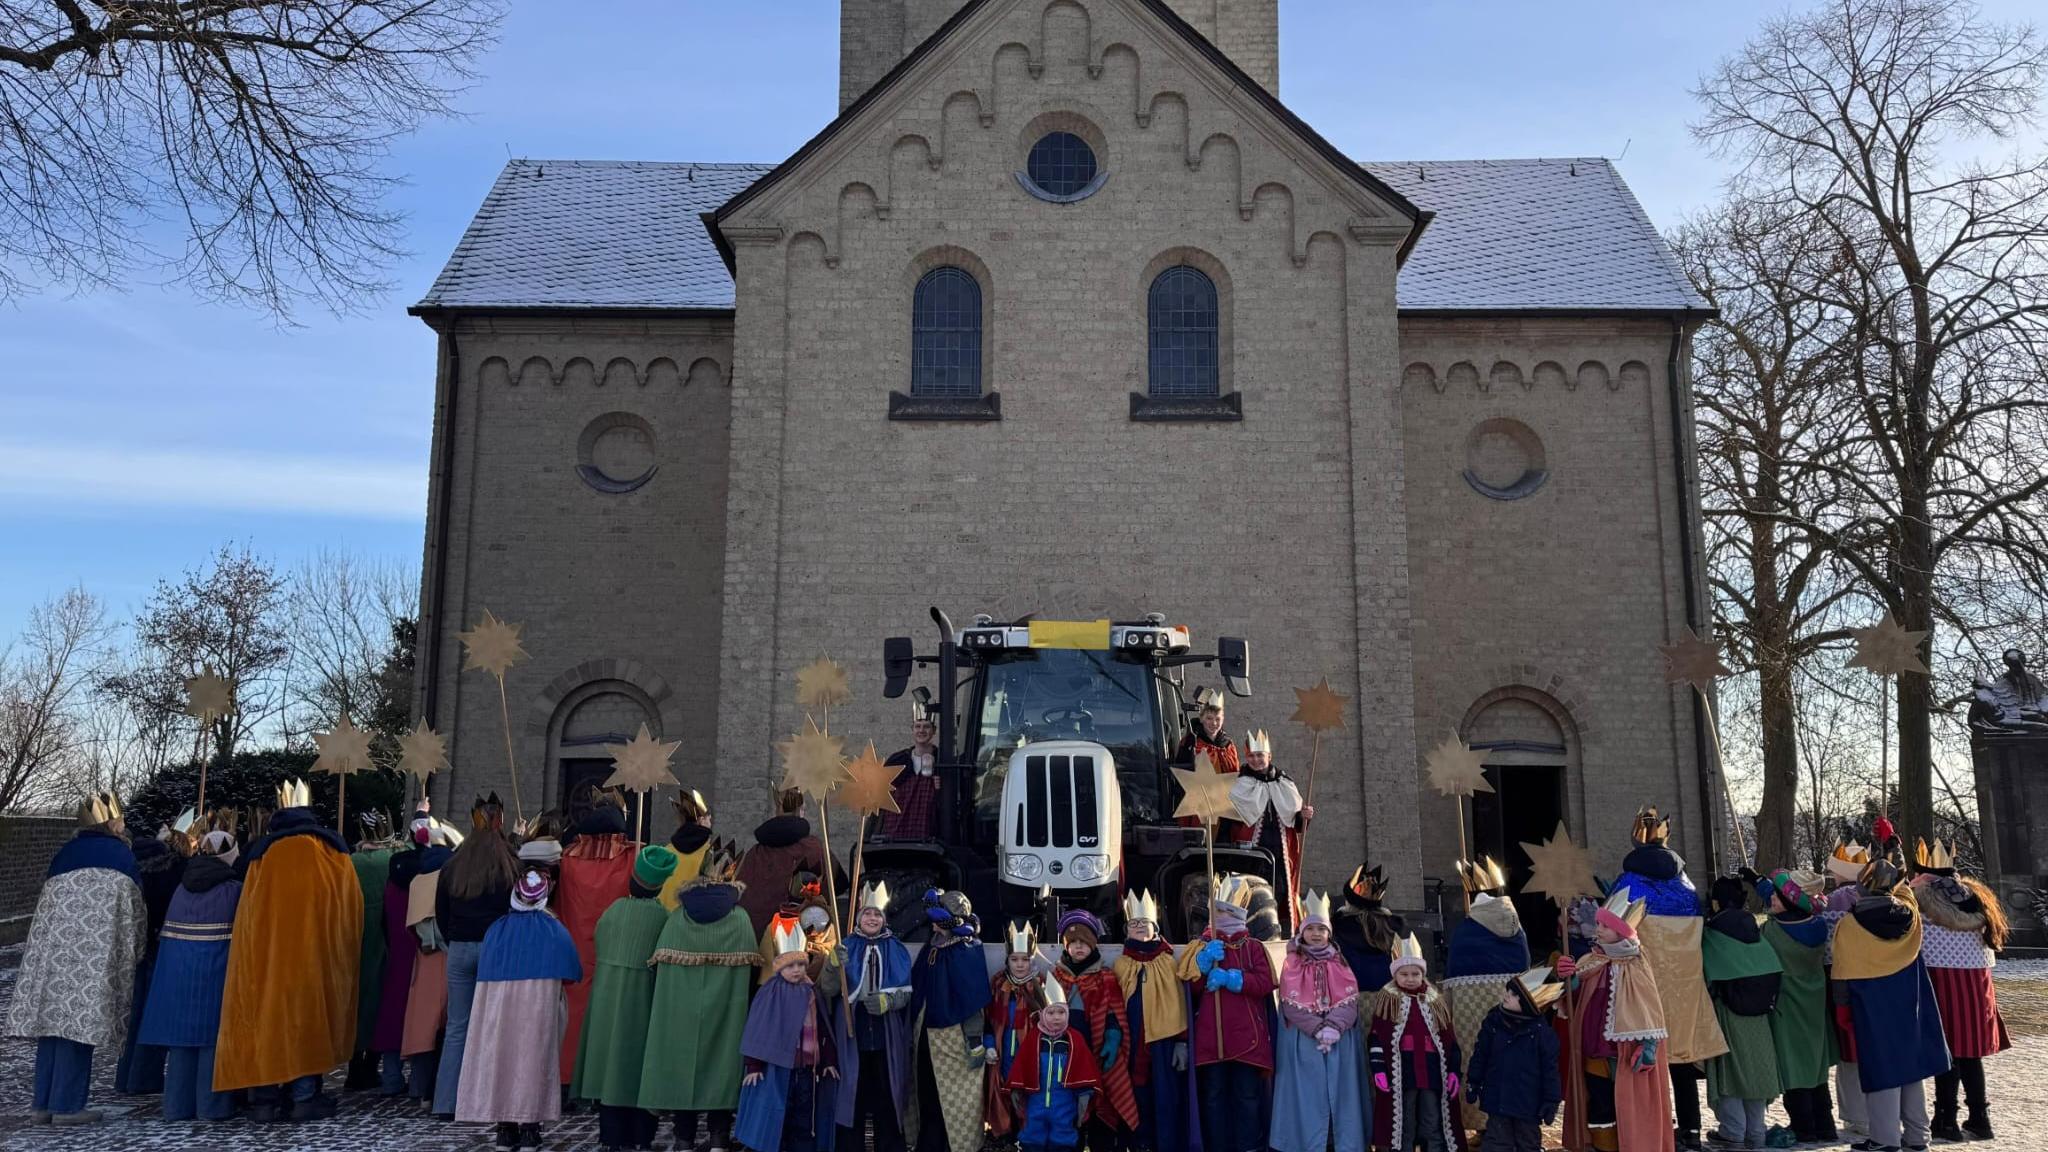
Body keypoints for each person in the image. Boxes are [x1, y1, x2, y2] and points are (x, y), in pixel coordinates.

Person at [215, 778, 363, 1122]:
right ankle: (304, 1097)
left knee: (268, 1021)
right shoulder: (330, 852)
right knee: (307, 1021)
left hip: (268, 960)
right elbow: (348, 910)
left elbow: (248, 913)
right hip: (313, 959)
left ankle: (265, 1099)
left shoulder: (261, 855)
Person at [6, 790, 147, 1127]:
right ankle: (69, 1106)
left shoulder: (63, 856)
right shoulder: (122, 857)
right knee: (79, 1028)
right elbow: (134, 912)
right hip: (93, 958)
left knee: (51, 1028)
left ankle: (41, 1104)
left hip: (52, 956)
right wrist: (136, 951)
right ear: (113, 826)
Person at [1610, 806, 1725, 1150]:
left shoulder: (1629, 882)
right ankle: (1690, 1130)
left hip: (1644, 988)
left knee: (1641, 1061)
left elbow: (1613, 931)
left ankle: (1650, 1129)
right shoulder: (1685, 883)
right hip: (1685, 988)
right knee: (1683, 1061)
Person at [642, 841, 756, 1152]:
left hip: (680, 1011)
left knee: (683, 1061)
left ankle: (683, 1136)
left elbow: (660, 973)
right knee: (722, 1062)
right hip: (727, 1013)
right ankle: (719, 1134)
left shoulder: (678, 919)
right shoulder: (740, 921)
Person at [457, 869, 583, 1151]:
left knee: (501, 1058)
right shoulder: (554, 930)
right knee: (531, 1059)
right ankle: (529, 1127)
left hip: (499, 1008)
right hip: (537, 1003)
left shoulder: (496, 930)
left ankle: (504, 1127)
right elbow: (572, 971)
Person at [1832, 851, 1949, 1152]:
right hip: (1910, 998)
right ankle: (1917, 1136)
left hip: (1871, 1002)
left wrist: (1842, 1010)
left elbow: (1841, 972)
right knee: (1911, 1066)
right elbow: (1906, 890)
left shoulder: (1850, 925)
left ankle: (1885, 1139)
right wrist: (1893, 852)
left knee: (1882, 1068)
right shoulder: (1911, 917)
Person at [573, 844, 681, 1151]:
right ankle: (641, 1136)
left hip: (609, 998)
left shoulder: (613, 911)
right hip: (644, 1003)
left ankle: (611, 1136)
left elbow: (601, 943)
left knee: (610, 1067)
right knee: (639, 1069)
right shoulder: (664, 918)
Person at [137, 825, 243, 1121]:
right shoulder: (233, 890)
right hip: (216, 974)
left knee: (181, 1043)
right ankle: (213, 1107)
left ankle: (176, 1106)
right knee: (212, 1041)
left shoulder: (181, 888)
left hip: (178, 974)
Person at [1911, 840, 2010, 1142]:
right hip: (1975, 984)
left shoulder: (1923, 900)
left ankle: (1946, 1118)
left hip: (1942, 981)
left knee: (1948, 1053)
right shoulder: (1975, 898)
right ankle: (1979, 1117)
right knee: (1969, 1055)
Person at [1558, 890, 1670, 1152]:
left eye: (1605, 925)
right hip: (1593, 1049)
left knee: (1629, 1104)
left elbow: (1649, 1007)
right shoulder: (1590, 960)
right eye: (1598, 923)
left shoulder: (1637, 963)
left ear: (1622, 931)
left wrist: (1649, 1044)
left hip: (1623, 1052)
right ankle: (1603, 1146)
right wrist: (1569, 979)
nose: (1598, 929)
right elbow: (1574, 998)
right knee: (1599, 1101)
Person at [432, 792, 521, 1119]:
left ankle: (445, 1103)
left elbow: (440, 910)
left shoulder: (452, 864)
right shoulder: (510, 863)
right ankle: (487, 1101)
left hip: (459, 949)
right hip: (496, 948)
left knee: (457, 1027)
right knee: (495, 1027)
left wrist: (455, 937)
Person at [1176, 874, 1276, 1152]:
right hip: (1212, 1038)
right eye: (1217, 911)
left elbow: (1266, 982)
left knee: (1246, 1096)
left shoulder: (1253, 947)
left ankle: (1247, 1147)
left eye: (1226, 912)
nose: (1221, 916)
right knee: (1213, 1097)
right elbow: (1190, 990)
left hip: (1246, 1039)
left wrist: (1234, 978)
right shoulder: (1201, 947)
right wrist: (1203, 963)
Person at [557, 787, 638, 1097]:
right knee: (610, 1015)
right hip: (616, 947)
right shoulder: (633, 856)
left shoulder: (568, 858)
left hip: (575, 947)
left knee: (574, 1014)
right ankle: (602, 1083)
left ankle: (566, 1079)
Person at [735, 921, 843, 1152]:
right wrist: (754, 1065)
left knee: (804, 1117)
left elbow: (823, 1028)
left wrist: (829, 1060)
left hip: (807, 1069)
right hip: (777, 1069)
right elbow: (759, 1027)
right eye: (790, 966)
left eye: (800, 965)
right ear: (779, 968)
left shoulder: (811, 991)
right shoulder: (769, 992)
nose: (796, 970)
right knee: (777, 1115)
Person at [1270, 892, 1366, 1152]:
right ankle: (1306, 1141)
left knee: (1340, 1092)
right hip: (1304, 1040)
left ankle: (1337, 1140)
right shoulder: (1292, 963)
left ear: (1329, 933)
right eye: (1310, 928)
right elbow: (1290, 1004)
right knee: (1308, 1094)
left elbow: (1349, 1000)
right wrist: (1317, 1027)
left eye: (1320, 929)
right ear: (1302, 932)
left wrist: (1334, 1027)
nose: (1315, 933)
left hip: (1338, 1040)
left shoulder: (1340, 962)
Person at [1441, 858, 1530, 1134]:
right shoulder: (1517, 928)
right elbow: (1525, 965)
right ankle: (1517, 1123)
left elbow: (1454, 967)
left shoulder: (1467, 931)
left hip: (1472, 1007)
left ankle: (1483, 1126)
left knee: (1477, 1058)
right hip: (1512, 1005)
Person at [1751, 869, 1835, 1146]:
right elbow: (1789, 905)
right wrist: (1761, 884)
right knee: (1815, 1065)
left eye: (1776, 896)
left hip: (1786, 1002)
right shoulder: (1818, 925)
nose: (1771, 899)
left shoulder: (1772, 931)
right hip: (1814, 1000)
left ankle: (1804, 1126)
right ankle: (1825, 1124)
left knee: (1793, 1067)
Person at [910, 888, 996, 1152]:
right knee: (927, 1091)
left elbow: (972, 998)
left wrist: (975, 1040)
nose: (933, 924)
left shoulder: (966, 948)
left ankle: (957, 1146)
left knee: (955, 1097)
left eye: (938, 919)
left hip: (953, 1036)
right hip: (926, 1033)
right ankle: (929, 1143)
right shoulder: (933, 944)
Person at [1699, 877, 1782, 1151]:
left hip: (1727, 1011)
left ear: (1716, 902)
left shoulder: (1712, 934)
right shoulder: (1755, 929)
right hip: (1760, 1015)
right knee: (1756, 1070)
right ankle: (1756, 1132)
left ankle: (1733, 1131)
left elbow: (1705, 976)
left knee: (1731, 1072)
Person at [835, 880, 914, 1152]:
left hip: (885, 1033)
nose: (872, 918)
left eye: (876, 914)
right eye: (867, 913)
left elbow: (906, 993)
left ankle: (889, 1146)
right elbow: (829, 989)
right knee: (852, 1093)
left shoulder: (896, 948)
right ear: (859, 917)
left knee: (886, 1094)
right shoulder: (846, 946)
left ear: (883, 918)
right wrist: (834, 967)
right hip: (852, 1031)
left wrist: (887, 1001)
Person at [1368, 933, 1465, 1152]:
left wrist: (1453, 1072)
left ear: (1423, 974)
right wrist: (1379, 1068)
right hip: (1403, 1073)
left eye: (1415, 974)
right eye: (1404, 974)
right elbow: (1377, 1036)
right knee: (1405, 1123)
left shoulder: (1435, 1000)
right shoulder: (1388, 998)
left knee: (1432, 1120)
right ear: (1395, 974)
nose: (1410, 978)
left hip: (1432, 1073)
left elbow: (1449, 1040)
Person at [1051, 909, 1137, 1152]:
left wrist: (1113, 1037)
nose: (1078, 947)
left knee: (1102, 1107)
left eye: (1084, 943)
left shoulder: (1105, 977)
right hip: (1065, 1059)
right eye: (1073, 942)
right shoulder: (1055, 976)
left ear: (1093, 944)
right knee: (1069, 1113)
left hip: (1097, 1053)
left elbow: (1114, 1014)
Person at [1110, 890, 1188, 1152]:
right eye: (1134, 924)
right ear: (1127, 930)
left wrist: (1182, 1042)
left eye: (1145, 923)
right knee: (1133, 1095)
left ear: (1155, 928)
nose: (1139, 927)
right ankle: (1134, 1144)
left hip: (1162, 1044)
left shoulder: (1167, 962)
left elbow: (1178, 1003)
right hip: (1130, 1044)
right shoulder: (1121, 965)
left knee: (1164, 1098)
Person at [114, 816, 187, 1095]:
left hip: (136, 947)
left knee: (134, 1017)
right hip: (159, 945)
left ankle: (125, 1078)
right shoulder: (169, 870)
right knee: (153, 1014)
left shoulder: (130, 870)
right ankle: (144, 1079)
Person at [1463, 968, 1562, 1152]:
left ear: (1528, 1003)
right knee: (1496, 1143)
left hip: (1528, 1105)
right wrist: (1473, 1081)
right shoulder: (1494, 1022)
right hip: (1498, 1100)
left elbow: (1550, 1071)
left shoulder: (1542, 1034)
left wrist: (1551, 1100)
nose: (1507, 995)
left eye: (1514, 994)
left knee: (1528, 1144)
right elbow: (1481, 1055)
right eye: (1509, 991)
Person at [1222, 729, 1308, 931]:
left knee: (1281, 891)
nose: (1256, 760)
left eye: (1260, 755)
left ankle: (1283, 928)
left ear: (1269, 756)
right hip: (1251, 851)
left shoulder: (1284, 782)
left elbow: (1295, 823)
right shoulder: (1239, 784)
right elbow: (1229, 823)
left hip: (1280, 850)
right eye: (1251, 756)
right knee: (1252, 891)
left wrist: (1304, 816)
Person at [403, 815, 462, 1106]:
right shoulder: (452, 877)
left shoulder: (417, 880)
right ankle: (443, 1090)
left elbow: (412, 923)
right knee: (449, 1024)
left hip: (424, 956)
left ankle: (419, 1089)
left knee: (424, 1026)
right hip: (449, 955)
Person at [1005, 980, 1100, 1152]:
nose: (1056, 1017)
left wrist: (1084, 1095)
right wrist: (1017, 1090)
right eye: (1051, 1013)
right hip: (1036, 1101)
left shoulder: (1074, 1039)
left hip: (1064, 1102)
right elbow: (1021, 1066)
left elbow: (1084, 1069)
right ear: (1042, 1014)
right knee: (1032, 1135)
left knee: (1063, 1136)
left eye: (1061, 1012)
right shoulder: (1034, 1038)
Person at [737, 788, 841, 937]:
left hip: (757, 936)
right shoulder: (814, 848)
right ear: (800, 811)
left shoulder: (755, 852)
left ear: (778, 811)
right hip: (800, 938)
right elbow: (837, 885)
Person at [346, 812, 400, 1093]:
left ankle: (354, 1067)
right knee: (379, 1001)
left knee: (357, 1002)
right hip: (385, 937)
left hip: (355, 938)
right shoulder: (392, 860)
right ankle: (370, 1067)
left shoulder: (350, 863)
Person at [1821, 836, 1871, 1138]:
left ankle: (1855, 1115)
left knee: (1848, 1052)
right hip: (1875, 980)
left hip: (1839, 980)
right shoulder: (1876, 897)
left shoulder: (1832, 901)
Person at [988, 920, 1049, 1145]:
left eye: (1025, 959)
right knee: (1004, 1088)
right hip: (1004, 1048)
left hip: (1030, 1051)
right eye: (1015, 959)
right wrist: (988, 1043)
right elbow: (989, 1017)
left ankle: (1027, 1135)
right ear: (1007, 960)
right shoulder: (998, 984)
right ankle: (1007, 1134)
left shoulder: (1040, 985)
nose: (1020, 964)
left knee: (1028, 1092)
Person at [877, 702, 943, 840]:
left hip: (929, 828)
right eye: (917, 726)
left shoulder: (943, 760)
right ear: (912, 729)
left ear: (934, 730)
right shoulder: (898, 760)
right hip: (897, 826)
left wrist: (940, 788)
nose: (921, 731)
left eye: (926, 727)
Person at [658, 789, 716, 909]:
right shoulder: (710, 856)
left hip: (663, 920)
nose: (710, 823)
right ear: (701, 821)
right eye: (708, 819)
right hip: (688, 922)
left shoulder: (665, 852)